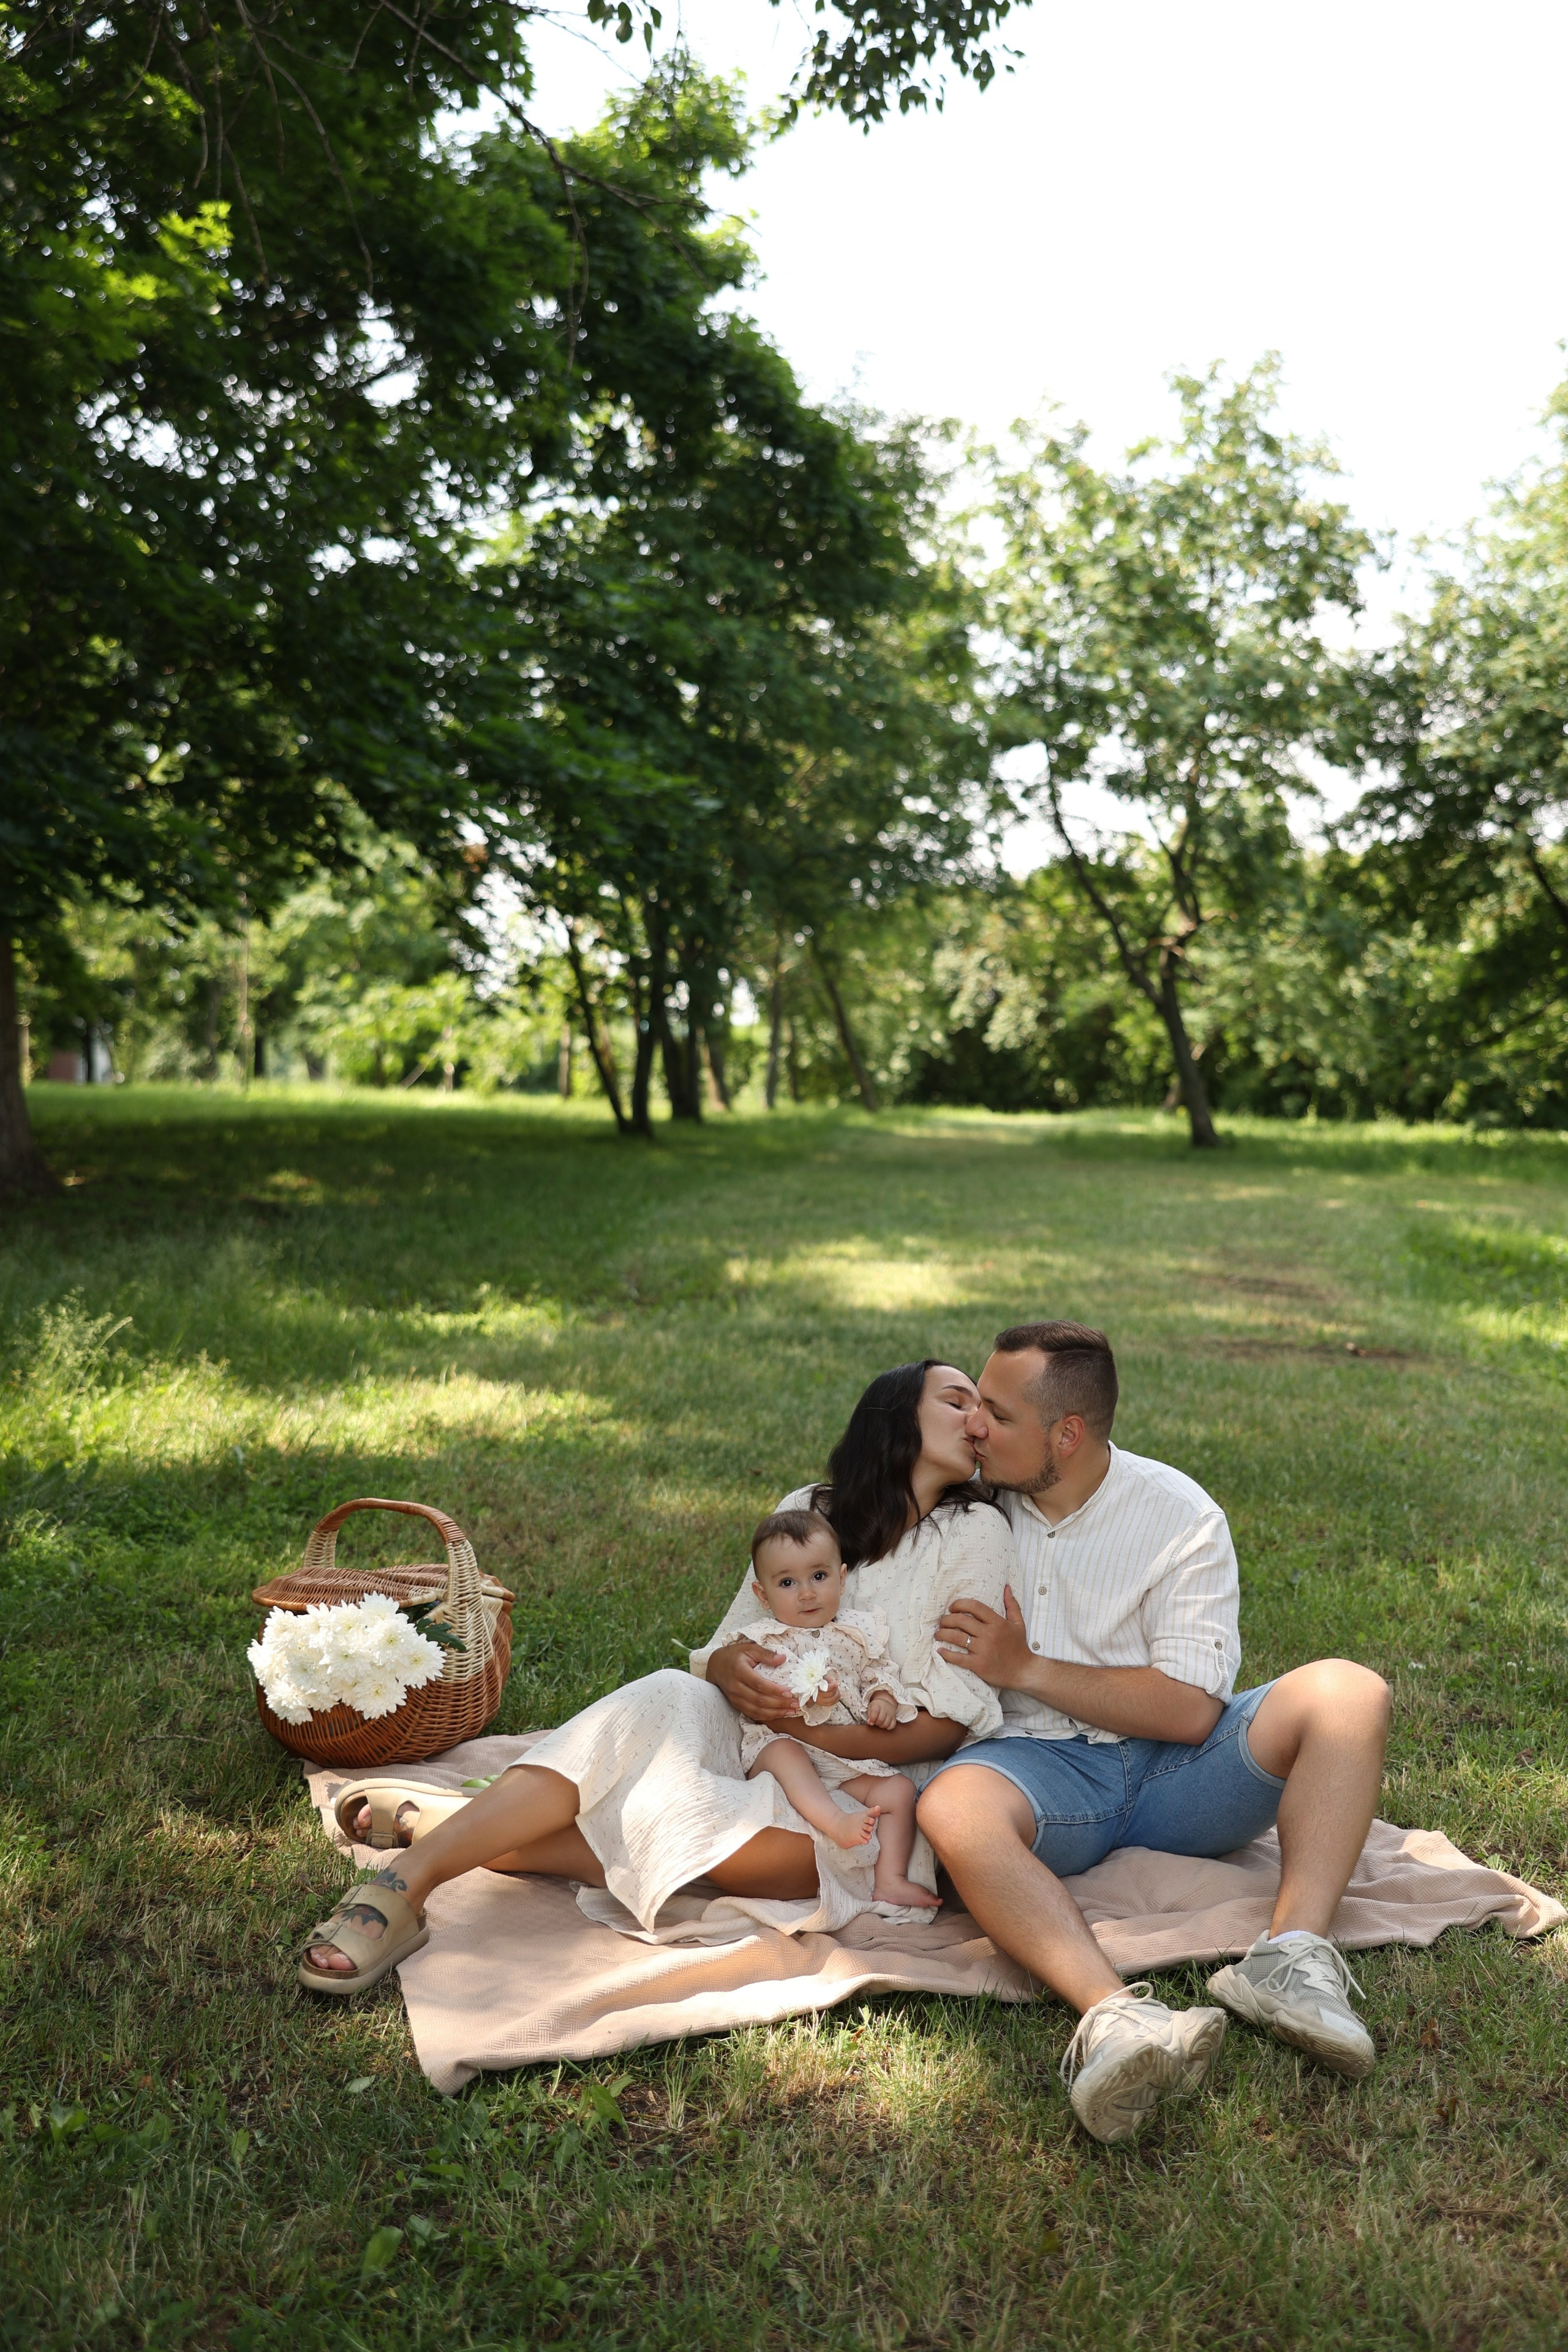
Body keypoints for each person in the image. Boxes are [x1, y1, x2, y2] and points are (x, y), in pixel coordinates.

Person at [298, 1360, 1014, 1992]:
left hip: (863, 1799)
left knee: (705, 1831)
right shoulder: (809, 1511)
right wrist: (735, 1668)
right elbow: (725, 1649)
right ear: (894, 1415)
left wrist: (813, 1723)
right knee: (669, 1692)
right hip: (752, 1740)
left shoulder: (978, 1532)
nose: (978, 1421)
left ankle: (443, 1826)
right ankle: (403, 1888)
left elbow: (948, 1722)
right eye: (958, 1400)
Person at [916, 1320, 1393, 2149]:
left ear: (1067, 1433)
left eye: (997, 1412)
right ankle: (1117, 2022)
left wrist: (1024, 1666)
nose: (975, 1427)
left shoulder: (1177, 1514)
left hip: (1182, 1776)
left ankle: (1286, 1961)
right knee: (953, 1810)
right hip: (1037, 1773)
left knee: (1350, 1693)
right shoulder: (966, 1505)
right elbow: (834, 1517)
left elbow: (1190, 1711)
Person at [733, 1507, 938, 1915]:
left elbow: (880, 1671)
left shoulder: (859, 1632)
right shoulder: (767, 1638)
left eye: (819, 1577)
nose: (807, 1593)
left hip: (845, 1759)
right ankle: (834, 1822)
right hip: (787, 1743)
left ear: (842, 1579)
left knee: (898, 1791)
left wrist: (883, 1698)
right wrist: (808, 1695)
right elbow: (764, 1688)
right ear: (763, 1595)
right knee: (782, 1752)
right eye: (788, 1582)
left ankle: (891, 1879)